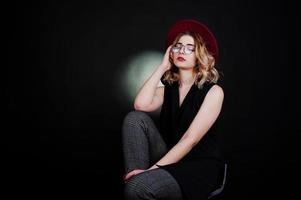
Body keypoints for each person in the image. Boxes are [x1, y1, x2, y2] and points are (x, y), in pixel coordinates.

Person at [122, 19, 225, 200]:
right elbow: (140, 105)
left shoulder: (214, 92)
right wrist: (162, 67)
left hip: (198, 167)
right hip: (170, 157)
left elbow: (190, 140)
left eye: (189, 48)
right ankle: (135, 179)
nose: (181, 51)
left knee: (139, 186)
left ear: (200, 55)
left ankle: (139, 181)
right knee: (134, 118)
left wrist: (150, 171)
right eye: (177, 47)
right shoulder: (168, 90)